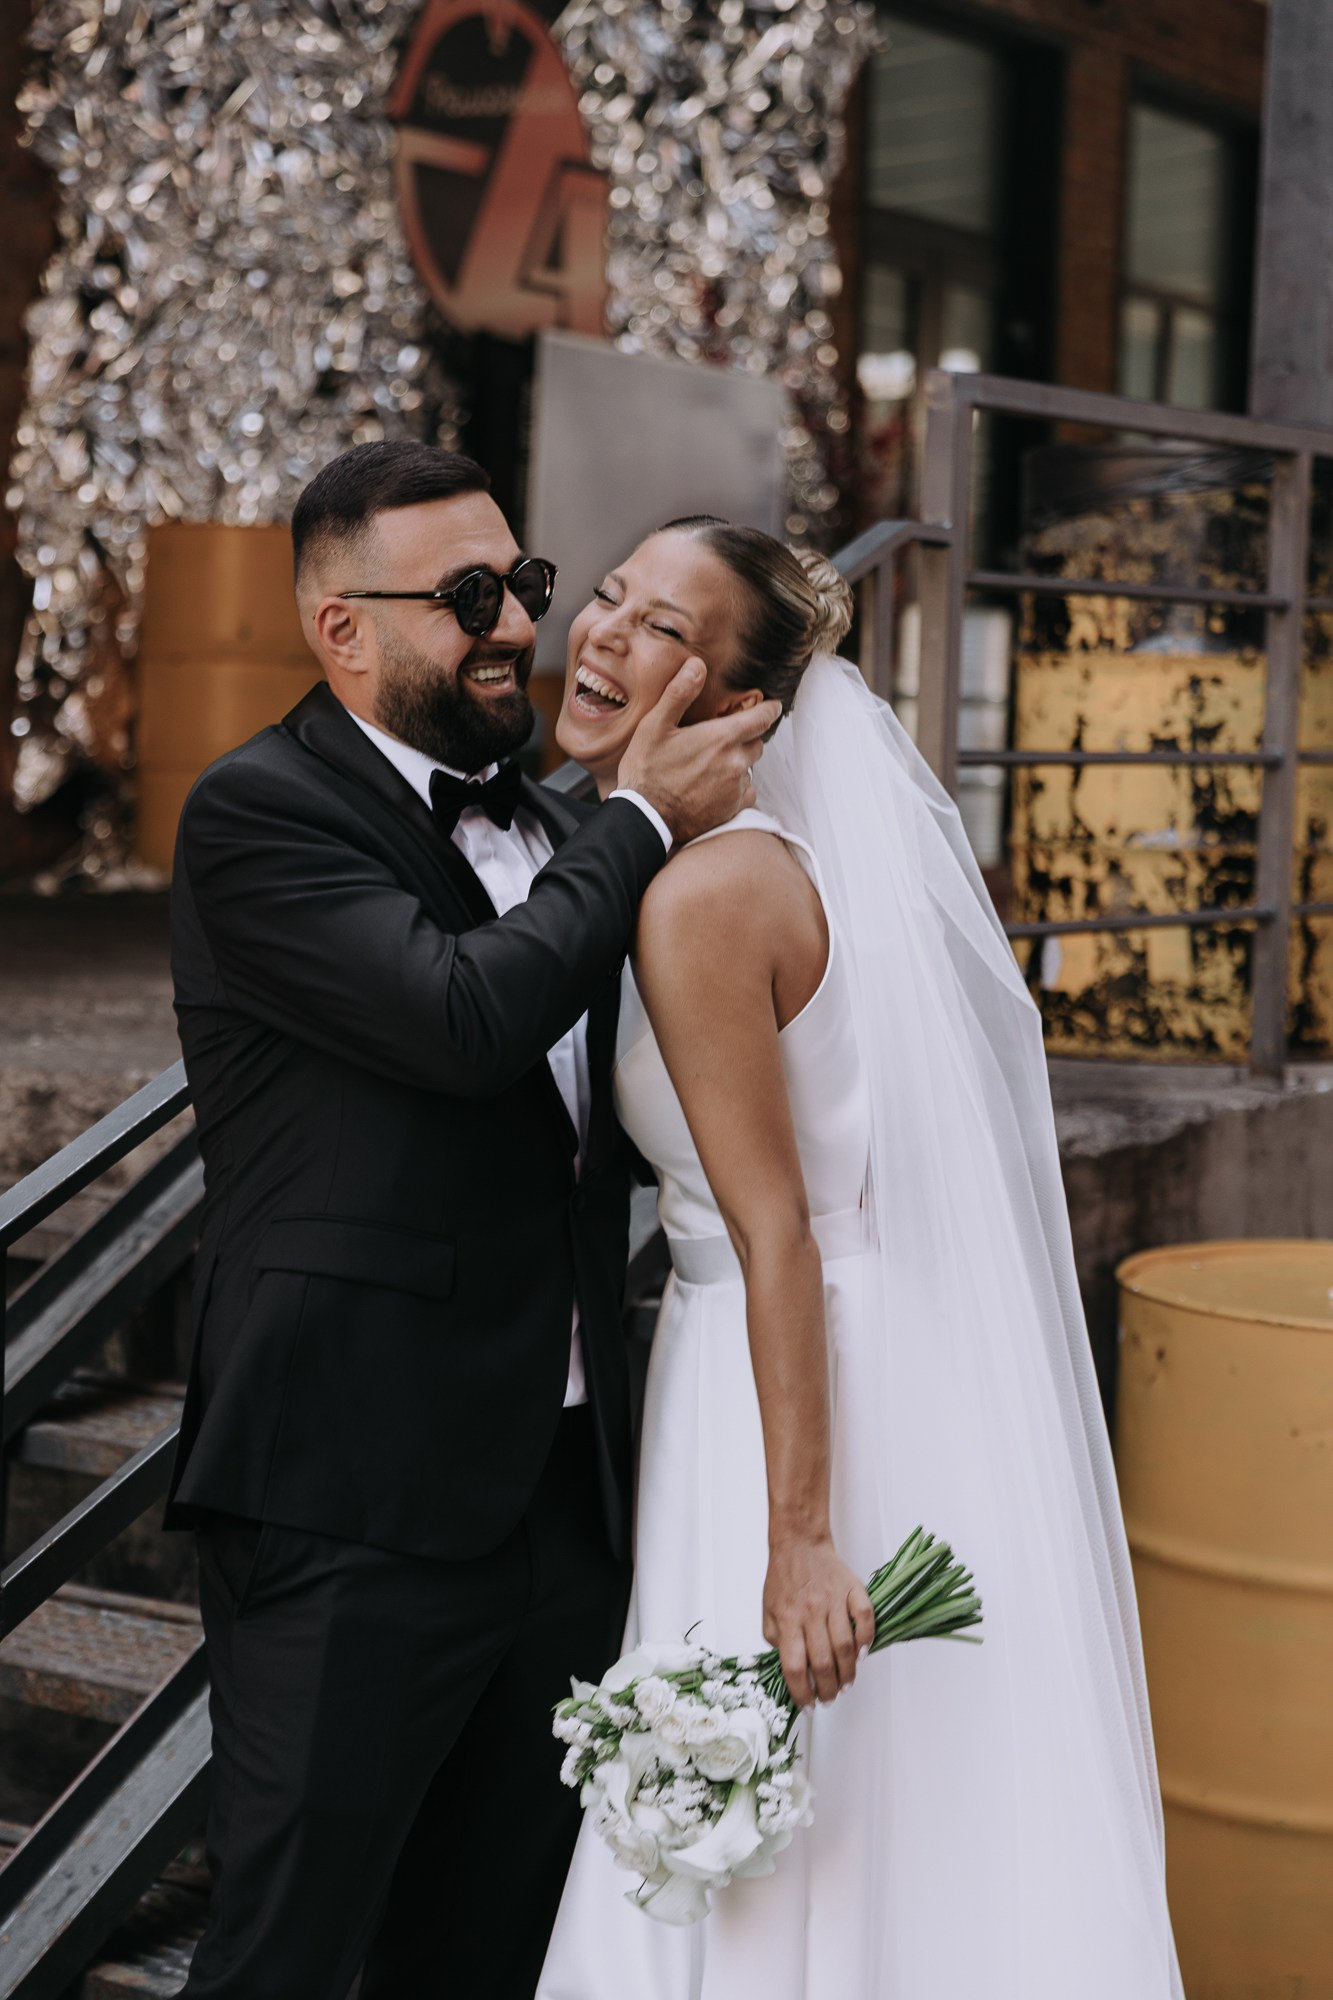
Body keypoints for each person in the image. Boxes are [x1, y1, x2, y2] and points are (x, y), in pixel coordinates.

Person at [163, 444, 780, 2000]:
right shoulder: (256, 813)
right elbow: (461, 1022)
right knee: (286, 1955)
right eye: (466, 595)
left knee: (496, 1952)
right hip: (350, 1497)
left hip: (567, 1502)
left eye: (521, 582)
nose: (514, 623)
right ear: (342, 630)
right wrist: (638, 820)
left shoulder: (566, 832)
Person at [538, 519, 1184, 1999]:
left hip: (771, 1374)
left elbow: (774, 1229)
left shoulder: (703, 900)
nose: (604, 633)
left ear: (741, 706)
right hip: (854, 1345)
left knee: (788, 1777)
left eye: (662, 630)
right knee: (887, 1786)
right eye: (611, 597)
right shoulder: (764, 864)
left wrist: (799, 1538)